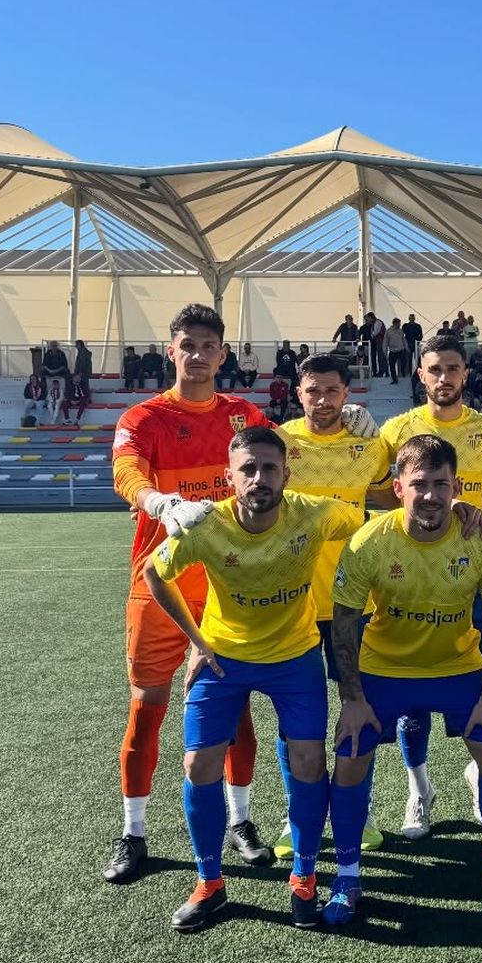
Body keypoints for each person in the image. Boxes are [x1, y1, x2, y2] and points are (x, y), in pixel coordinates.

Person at [144, 426, 366, 932]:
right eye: (248, 469)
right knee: (198, 763)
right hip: (223, 659)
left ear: (286, 473)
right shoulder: (206, 525)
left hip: (294, 657)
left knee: (309, 761)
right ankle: (209, 883)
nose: (259, 478)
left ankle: (304, 876)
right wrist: (197, 640)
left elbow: (375, 521)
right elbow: (153, 574)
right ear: (229, 477)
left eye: (269, 468)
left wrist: (456, 511)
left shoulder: (316, 513)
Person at [102, 305, 280, 886]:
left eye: (208, 345)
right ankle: (133, 833)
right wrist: (158, 502)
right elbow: (126, 472)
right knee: (147, 706)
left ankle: (241, 821)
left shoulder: (242, 414)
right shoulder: (144, 417)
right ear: (170, 351)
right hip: (158, 584)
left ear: (222, 354)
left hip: (229, 586)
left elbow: (286, 455)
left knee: (235, 708)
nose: (198, 355)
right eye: (188, 345)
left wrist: (345, 423)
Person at [327, 434, 482, 924]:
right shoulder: (370, 541)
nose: (431, 495)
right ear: (398, 487)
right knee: (350, 758)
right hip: (383, 669)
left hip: (458, 668)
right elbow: (344, 622)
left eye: (441, 484)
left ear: (457, 487)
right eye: (419, 484)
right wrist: (352, 699)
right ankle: (347, 875)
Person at [379, 334, 482, 835]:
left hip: (471, 568)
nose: (443, 377)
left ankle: (481, 771)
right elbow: (379, 486)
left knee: (481, 675)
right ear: (420, 374)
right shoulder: (395, 430)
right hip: (412, 569)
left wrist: (475, 507)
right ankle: (419, 790)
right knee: (412, 688)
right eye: (434, 369)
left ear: (465, 374)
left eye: (452, 368)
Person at [276, 355, 396, 856]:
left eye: (331, 391)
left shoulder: (370, 445)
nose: (322, 400)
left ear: (347, 394)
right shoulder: (280, 443)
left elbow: (396, 500)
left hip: (354, 601)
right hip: (292, 604)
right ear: (298, 393)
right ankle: (297, 818)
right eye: (312, 391)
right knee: (296, 722)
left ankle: (355, 813)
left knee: (358, 709)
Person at [384, 318, 408, 383]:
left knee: (404, 363)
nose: (400, 325)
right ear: (395, 323)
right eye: (399, 323)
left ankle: (402, 373)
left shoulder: (401, 331)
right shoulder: (388, 331)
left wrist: (406, 347)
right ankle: (394, 379)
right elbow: (385, 342)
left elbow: (404, 340)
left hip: (401, 350)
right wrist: (385, 351)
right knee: (392, 366)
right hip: (393, 351)